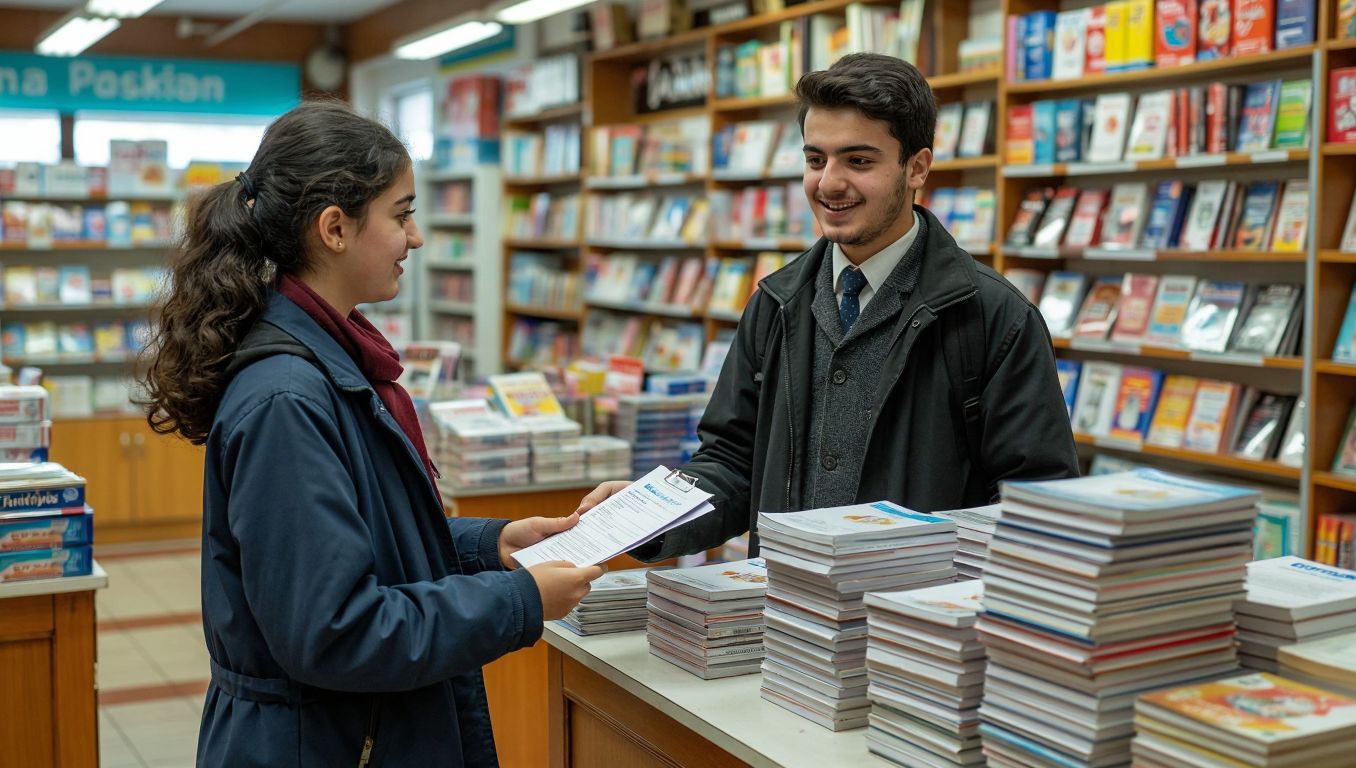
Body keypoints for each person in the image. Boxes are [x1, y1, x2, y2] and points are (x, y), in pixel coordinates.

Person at [138, 100, 602, 767]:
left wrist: (492, 544)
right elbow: (334, 630)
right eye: (402, 213)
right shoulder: (287, 401)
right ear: (334, 228)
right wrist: (519, 601)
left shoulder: (335, 361)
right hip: (322, 744)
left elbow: (366, 541)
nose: (414, 238)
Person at [579, 53, 1079, 559]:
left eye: (858, 161)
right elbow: (733, 461)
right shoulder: (777, 302)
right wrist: (649, 516)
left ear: (917, 167)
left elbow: (1034, 500)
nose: (829, 183)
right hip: (782, 616)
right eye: (816, 159)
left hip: (914, 624)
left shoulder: (993, 316)